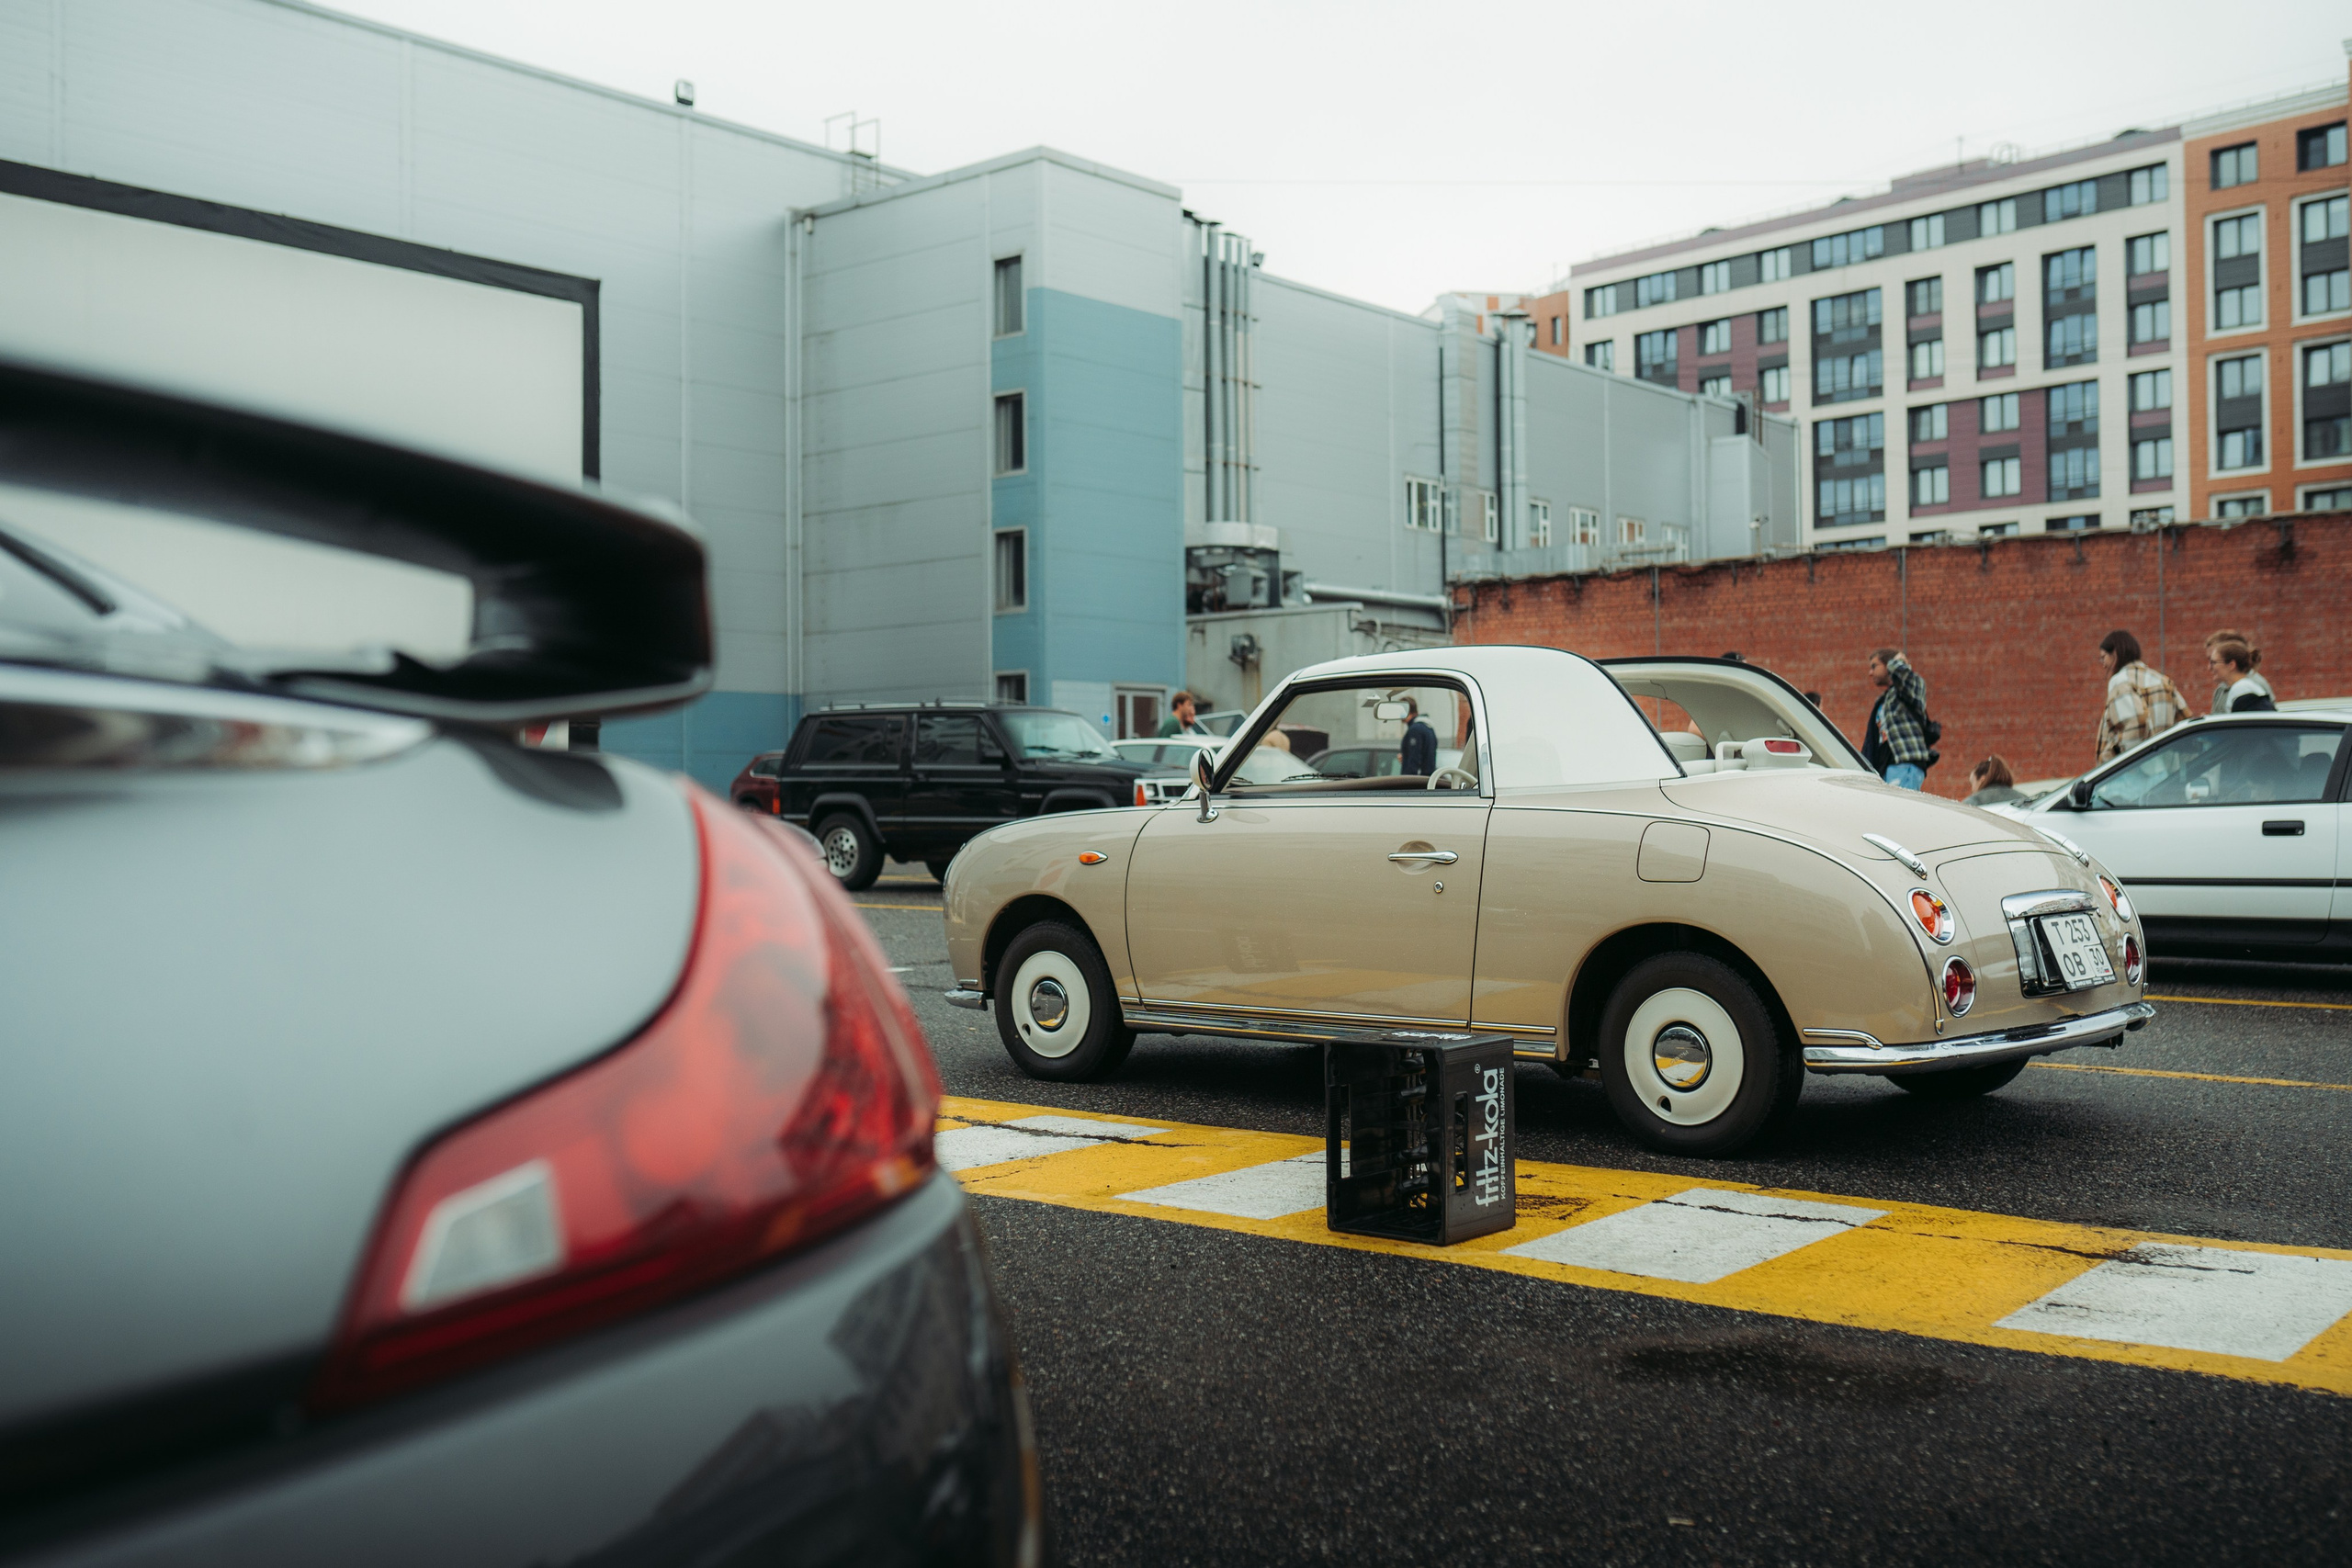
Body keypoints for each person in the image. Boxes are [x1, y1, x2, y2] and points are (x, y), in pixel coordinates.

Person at [2094, 629, 2185, 761]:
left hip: (2137, 772)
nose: (2103, 665)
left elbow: (2136, 724)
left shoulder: (2120, 682)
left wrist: (2115, 758)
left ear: (2115, 654)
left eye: (2103, 657)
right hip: (2167, 769)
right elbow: (2184, 720)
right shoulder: (2163, 681)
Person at [1861, 648, 1934, 790]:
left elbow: (1907, 678)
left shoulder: (1912, 687)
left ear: (1889, 665)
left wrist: (1897, 662)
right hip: (1886, 767)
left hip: (1905, 762)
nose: (1871, 673)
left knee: (1902, 809)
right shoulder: (1884, 700)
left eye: (1874, 666)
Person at [2203, 628, 2275, 715]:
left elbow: (2261, 721)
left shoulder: (2246, 689)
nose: (2209, 667)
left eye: (2214, 662)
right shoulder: (2223, 688)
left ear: (2231, 664)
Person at [1963, 755, 2027, 807]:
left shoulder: (1972, 802)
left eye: (1972, 782)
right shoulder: (2024, 799)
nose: (1972, 789)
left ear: (1982, 780)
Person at [1399, 698, 1438, 776]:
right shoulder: (1428, 727)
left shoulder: (1415, 730)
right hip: (1426, 780)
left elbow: (1415, 759)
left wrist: (1408, 782)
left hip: (1416, 782)